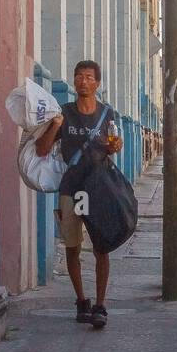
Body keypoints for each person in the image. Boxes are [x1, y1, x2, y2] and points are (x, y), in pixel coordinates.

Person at [34, 60, 122, 329]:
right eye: (78, 77)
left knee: (101, 248)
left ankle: (100, 304)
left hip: (99, 189)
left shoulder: (107, 114)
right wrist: (54, 126)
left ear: (97, 83)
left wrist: (115, 146)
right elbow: (41, 149)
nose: (83, 81)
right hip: (70, 188)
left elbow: (113, 146)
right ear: (74, 82)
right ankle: (81, 300)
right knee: (72, 247)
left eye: (88, 77)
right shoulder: (64, 112)